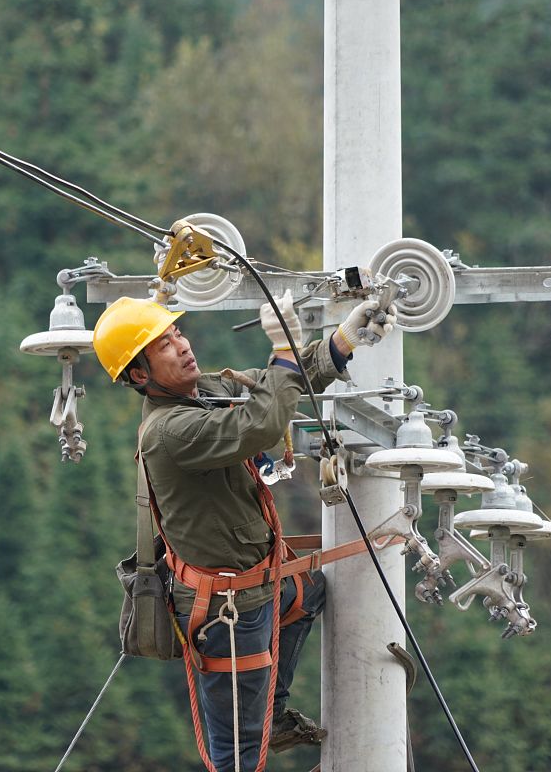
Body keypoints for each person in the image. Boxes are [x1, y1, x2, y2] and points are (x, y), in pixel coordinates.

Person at [93, 289, 395, 771]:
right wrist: (281, 350)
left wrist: (340, 341)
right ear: (139, 375)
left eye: (177, 333)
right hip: (227, 612)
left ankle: (269, 714)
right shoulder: (169, 431)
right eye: (165, 345)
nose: (184, 344)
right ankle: (261, 723)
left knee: (308, 591)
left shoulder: (203, 393)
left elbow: (275, 387)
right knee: (236, 756)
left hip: (258, 586)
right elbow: (262, 422)